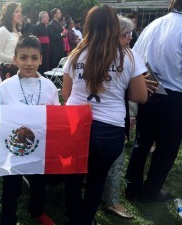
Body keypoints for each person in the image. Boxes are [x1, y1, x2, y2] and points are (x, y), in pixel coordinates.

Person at [62, 5, 147, 225]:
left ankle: (73, 219)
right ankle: (86, 220)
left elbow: (66, 93)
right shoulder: (128, 55)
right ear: (113, 26)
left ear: (88, 26)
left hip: (74, 121)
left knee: (73, 177)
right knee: (97, 180)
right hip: (109, 128)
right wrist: (119, 87)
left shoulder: (75, 54)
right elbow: (141, 96)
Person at [0, 35, 59, 225]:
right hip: (13, 147)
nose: (28, 63)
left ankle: (37, 211)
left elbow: (55, 116)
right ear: (15, 60)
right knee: (11, 187)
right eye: (23, 58)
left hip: (39, 147)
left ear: (40, 59)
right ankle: (8, 218)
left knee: (38, 184)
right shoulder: (6, 87)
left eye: (33, 58)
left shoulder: (49, 87)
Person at [125, 0, 182, 202]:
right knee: (167, 147)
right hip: (174, 95)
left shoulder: (155, 24)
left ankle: (131, 187)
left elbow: (135, 56)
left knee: (143, 140)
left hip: (149, 89)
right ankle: (151, 191)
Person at [101, 15, 135, 220]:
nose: (129, 38)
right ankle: (111, 200)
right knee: (115, 161)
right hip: (110, 119)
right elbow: (138, 94)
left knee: (113, 162)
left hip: (105, 117)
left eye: (130, 34)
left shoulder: (126, 55)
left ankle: (107, 198)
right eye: (125, 34)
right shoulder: (124, 57)